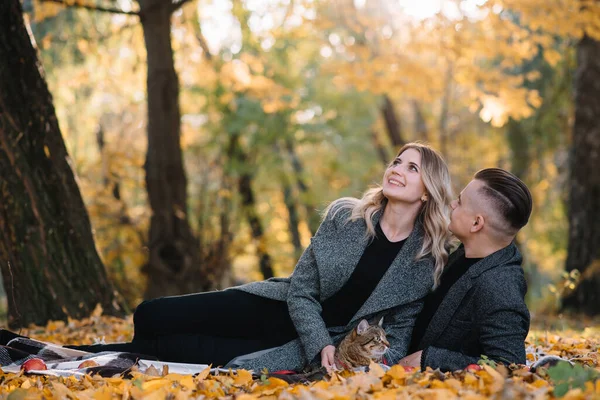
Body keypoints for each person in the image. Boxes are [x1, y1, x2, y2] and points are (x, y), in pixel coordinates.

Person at [3, 142, 454, 373]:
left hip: (303, 347)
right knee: (152, 314)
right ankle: (71, 354)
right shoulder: (345, 217)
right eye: (397, 161)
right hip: (279, 307)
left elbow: (397, 336)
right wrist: (322, 339)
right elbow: (302, 290)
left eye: (412, 167)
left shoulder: (423, 263)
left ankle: (59, 356)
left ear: (428, 187)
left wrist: (342, 359)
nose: (397, 169)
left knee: (171, 352)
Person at [398, 168, 532, 372]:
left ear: (476, 223)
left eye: (459, 202)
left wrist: (431, 359)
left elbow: (510, 366)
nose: (452, 204)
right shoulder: (465, 254)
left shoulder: (499, 287)